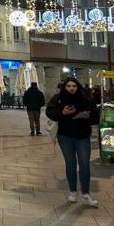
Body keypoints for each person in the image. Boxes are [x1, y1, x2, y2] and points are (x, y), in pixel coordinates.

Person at [45, 77, 100, 207]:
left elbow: (95, 116)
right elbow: (50, 112)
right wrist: (62, 112)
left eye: (74, 86)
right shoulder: (58, 99)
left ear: (78, 87)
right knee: (70, 164)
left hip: (82, 136)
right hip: (65, 136)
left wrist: (86, 116)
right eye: (69, 86)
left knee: (84, 164)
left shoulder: (85, 100)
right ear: (64, 87)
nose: (71, 88)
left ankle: (86, 194)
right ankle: (73, 192)